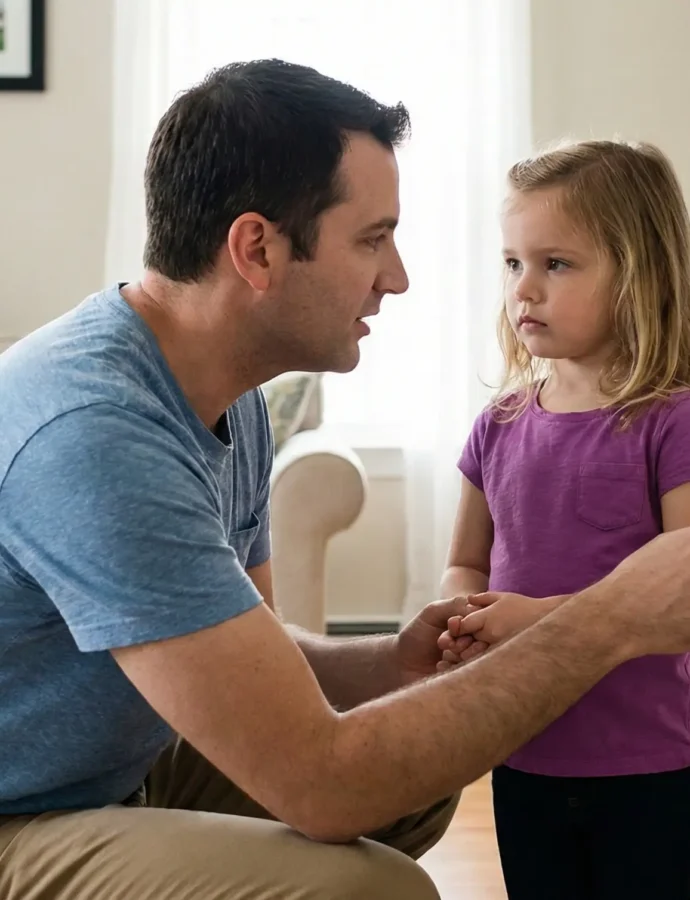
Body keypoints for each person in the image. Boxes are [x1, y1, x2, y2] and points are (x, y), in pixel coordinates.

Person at [2, 63, 690, 900]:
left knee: (420, 757)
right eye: (372, 239)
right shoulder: (97, 431)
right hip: (21, 812)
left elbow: (255, 647)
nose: (396, 277)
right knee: (371, 884)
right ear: (258, 250)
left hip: (116, 770)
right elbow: (326, 787)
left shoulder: (225, 391)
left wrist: (393, 663)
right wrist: (609, 621)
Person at [439, 140, 690, 899]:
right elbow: (466, 561)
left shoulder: (671, 421)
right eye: (513, 263)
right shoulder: (497, 425)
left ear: (638, 275)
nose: (524, 289)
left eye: (556, 264)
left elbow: (681, 598)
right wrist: (459, 614)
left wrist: (534, 621)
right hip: (524, 753)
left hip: (653, 764)